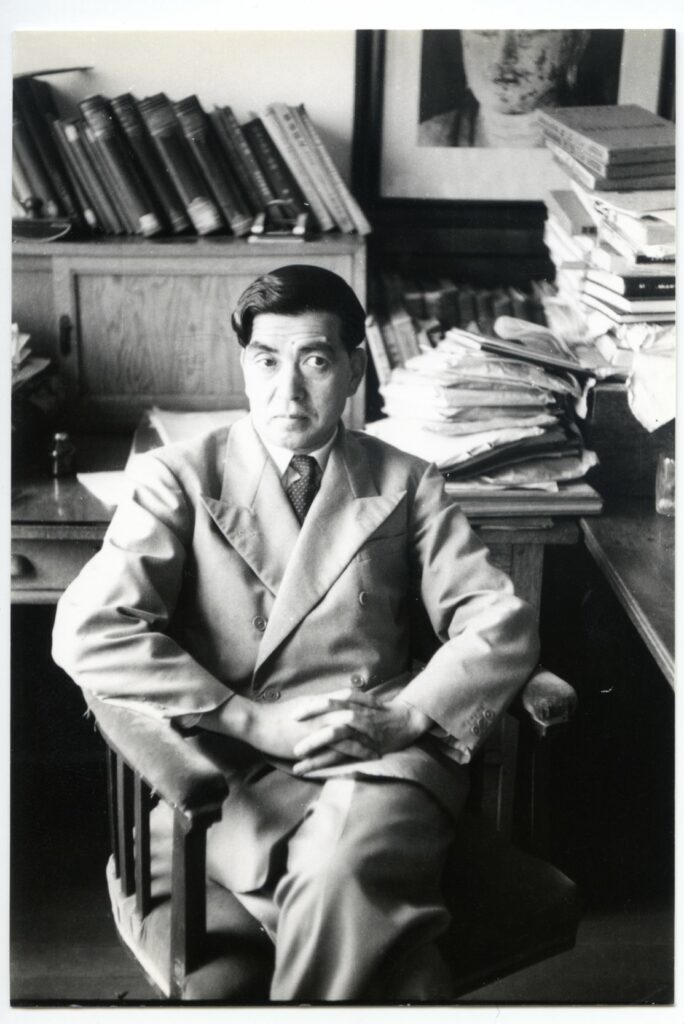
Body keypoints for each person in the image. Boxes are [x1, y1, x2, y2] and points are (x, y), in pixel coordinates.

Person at [52, 264, 539, 1002]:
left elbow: (496, 616)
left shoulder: (408, 481)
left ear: (353, 368)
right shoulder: (177, 478)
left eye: (315, 361)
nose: (289, 390)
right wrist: (251, 719)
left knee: (341, 862)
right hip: (235, 773)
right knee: (407, 971)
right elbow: (89, 629)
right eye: (266, 361)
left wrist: (406, 716)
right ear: (243, 365)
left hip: (377, 756)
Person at [419, 29, 590, 148]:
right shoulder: (428, 138)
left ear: (576, 45)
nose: (502, 56)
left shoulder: (593, 142)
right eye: (485, 32)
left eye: (528, 33)